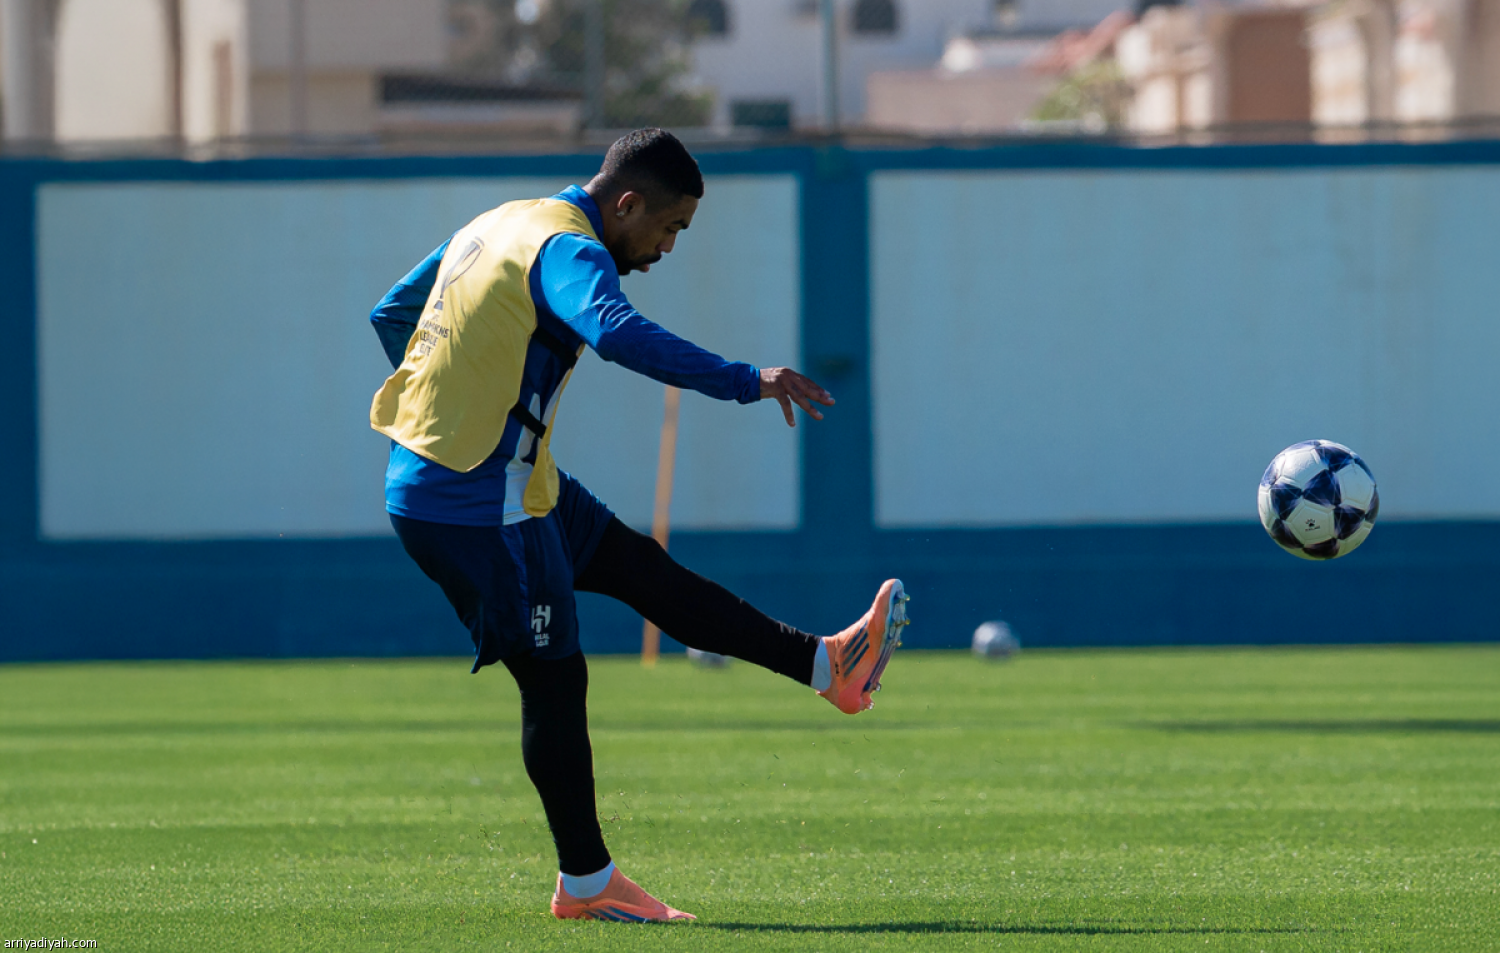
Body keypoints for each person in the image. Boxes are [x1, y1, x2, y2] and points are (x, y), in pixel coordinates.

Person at [368, 128, 908, 923]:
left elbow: (393, 313)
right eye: (669, 227)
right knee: (554, 679)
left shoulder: (502, 221)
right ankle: (587, 882)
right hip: (477, 501)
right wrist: (745, 380)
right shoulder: (570, 249)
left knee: (641, 570)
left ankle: (827, 665)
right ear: (627, 203)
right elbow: (614, 330)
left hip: (508, 478)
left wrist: (453, 403)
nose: (668, 247)